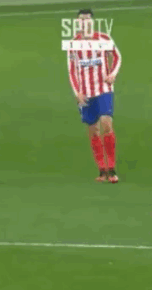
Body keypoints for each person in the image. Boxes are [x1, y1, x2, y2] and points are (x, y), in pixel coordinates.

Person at [67, 8, 121, 183]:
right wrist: (77, 92)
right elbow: (72, 70)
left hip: (104, 89)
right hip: (86, 93)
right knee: (93, 130)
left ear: (92, 22)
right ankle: (102, 170)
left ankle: (112, 169)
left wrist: (112, 74)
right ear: (78, 23)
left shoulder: (103, 38)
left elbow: (117, 57)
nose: (85, 22)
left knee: (106, 124)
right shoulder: (73, 44)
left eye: (87, 19)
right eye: (81, 20)